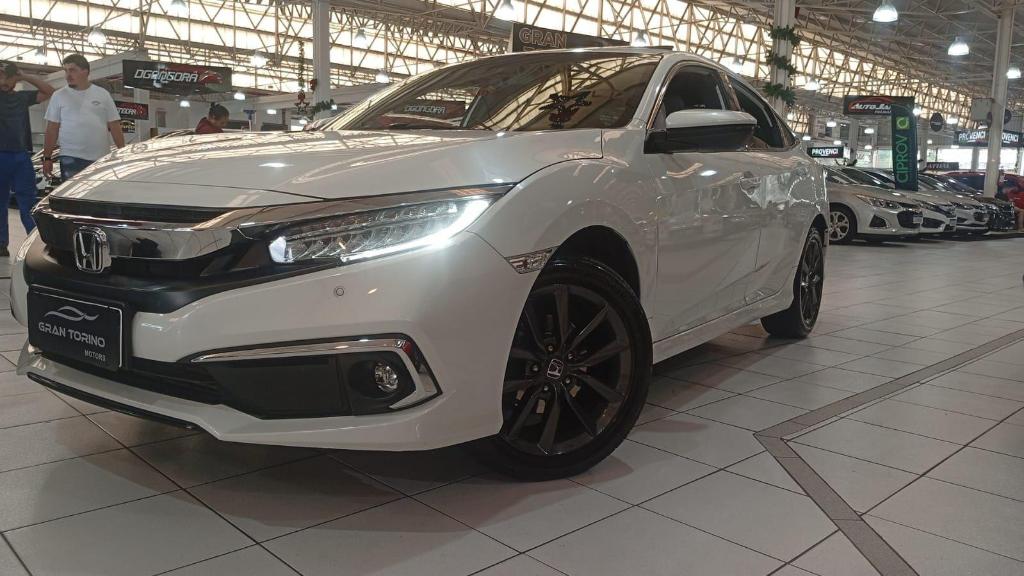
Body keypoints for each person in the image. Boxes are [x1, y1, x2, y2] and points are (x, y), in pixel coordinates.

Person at [42, 54, 124, 181]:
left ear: (85, 72)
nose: (68, 75)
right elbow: (52, 129)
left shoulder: (103, 95)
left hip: (100, 158)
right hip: (70, 157)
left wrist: (122, 153)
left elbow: (114, 126)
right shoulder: (58, 96)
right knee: (73, 193)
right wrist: (47, 158)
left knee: (99, 193)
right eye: (66, 71)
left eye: (72, 70)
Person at [0, 61, 53, 257]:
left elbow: (49, 91)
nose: (4, 80)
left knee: (28, 203)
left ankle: (35, 243)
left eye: (8, 76)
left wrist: (23, 76)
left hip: (21, 156)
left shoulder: (23, 97)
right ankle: (1, 244)